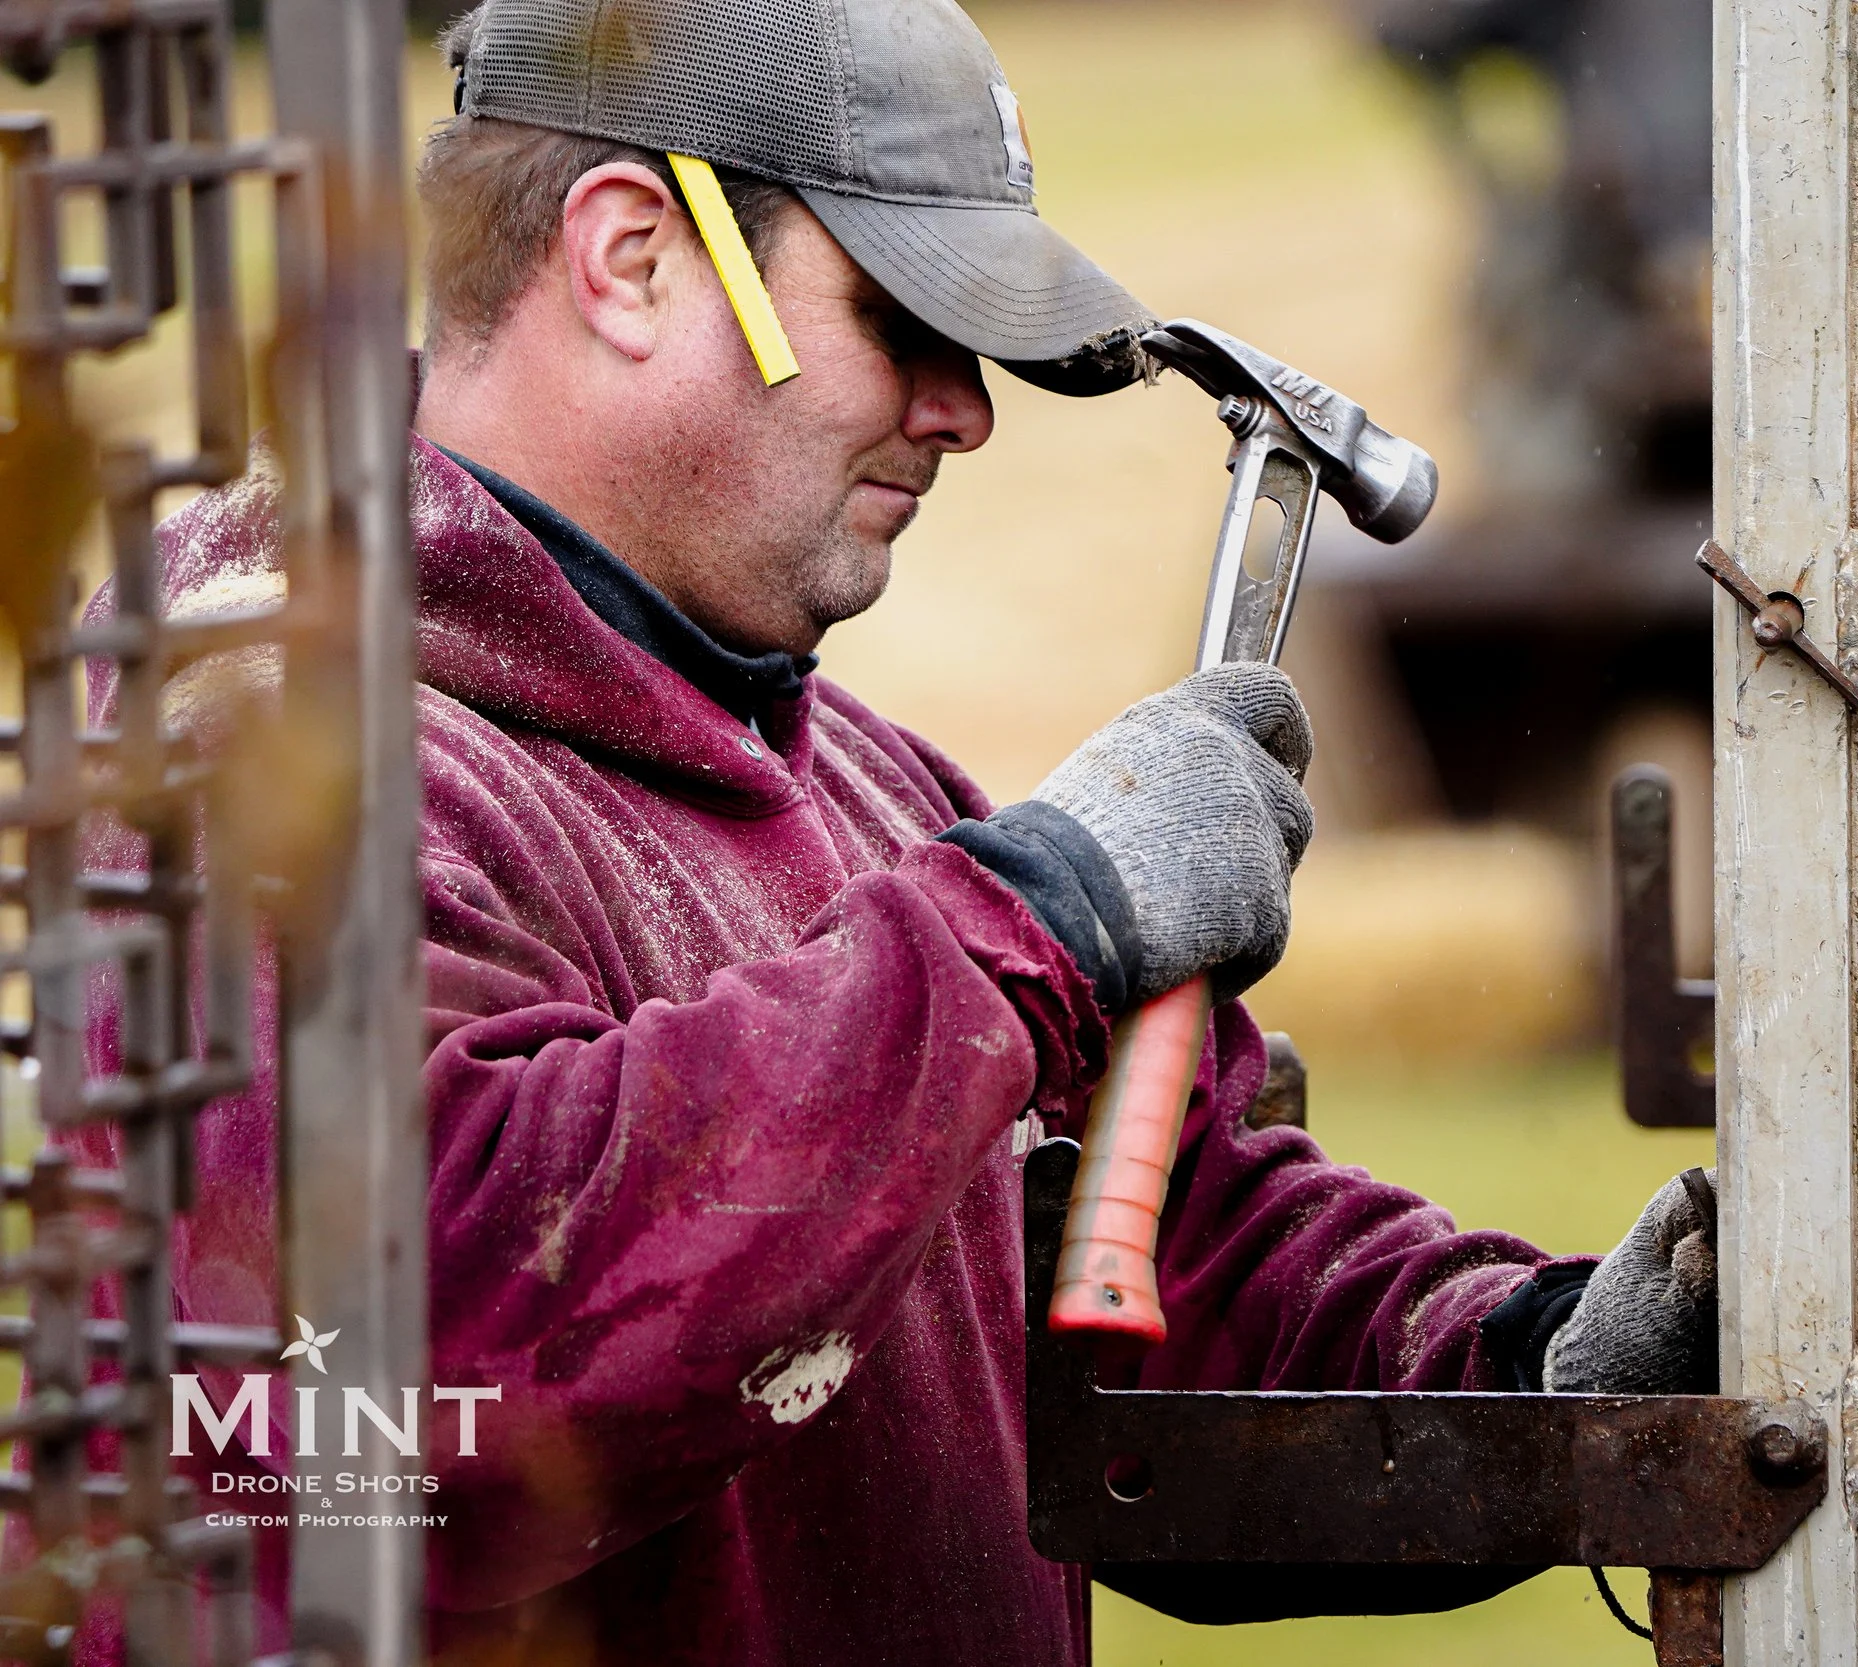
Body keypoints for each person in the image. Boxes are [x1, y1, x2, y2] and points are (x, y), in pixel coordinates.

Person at [102, 0, 1719, 1658]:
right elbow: (431, 1395)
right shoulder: (253, 779)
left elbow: (1161, 1280)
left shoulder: (868, 794)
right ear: (634, 257)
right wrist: (1040, 917)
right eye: (901, 318)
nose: (964, 409)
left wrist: (1542, 1371)